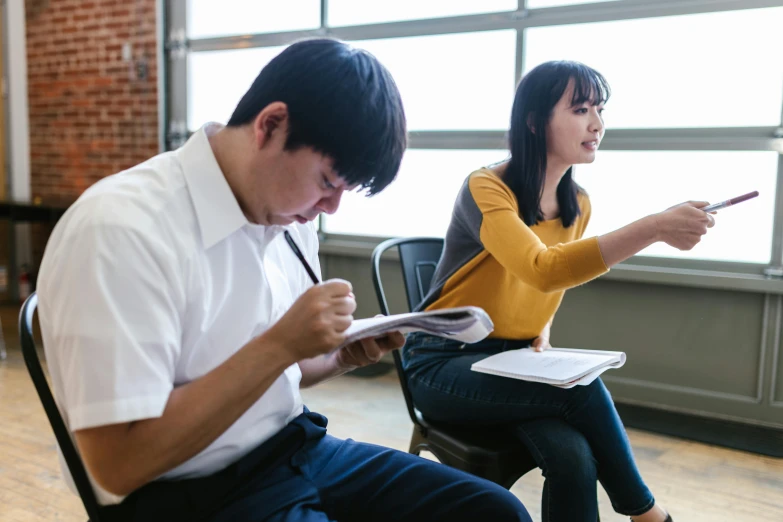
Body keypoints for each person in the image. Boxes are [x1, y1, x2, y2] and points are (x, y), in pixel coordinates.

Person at [36, 38, 532, 522]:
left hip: (290, 448)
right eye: (327, 182)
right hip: (187, 492)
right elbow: (118, 466)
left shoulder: (286, 218)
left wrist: (338, 356)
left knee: (495, 510)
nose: (331, 208)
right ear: (271, 125)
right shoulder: (122, 230)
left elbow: (274, 376)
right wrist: (280, 344)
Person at [402, 61, 715, 522]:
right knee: (581, 388)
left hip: (514, 363)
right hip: (442, 363)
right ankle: (646, 513)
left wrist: (540, 328)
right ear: (534, 121)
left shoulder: (578, 203)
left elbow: (547, 283)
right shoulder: (486, 187)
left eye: (599, 110)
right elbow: (542, 269)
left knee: (574, 457)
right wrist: (655, 227)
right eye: (580, 109)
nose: (597, 124)